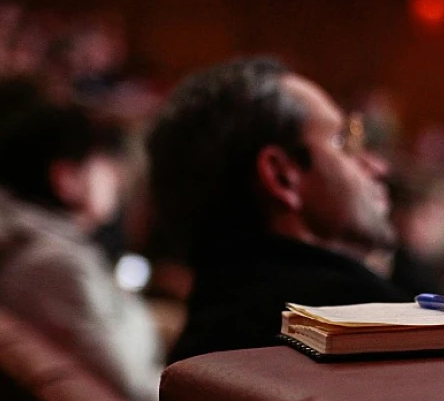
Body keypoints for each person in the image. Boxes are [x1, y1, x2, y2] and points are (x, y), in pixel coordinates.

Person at [148, 56, 409, 361]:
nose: (377, 166)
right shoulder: (370, 325)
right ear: (282, 176)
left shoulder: (205, 337)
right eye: (342, 141)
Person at [0, 101, 163, 401]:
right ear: (66, 178)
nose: (116, 177)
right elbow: (134, 393)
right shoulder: (54, 267)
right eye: (103, 162)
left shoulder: (11, 236)